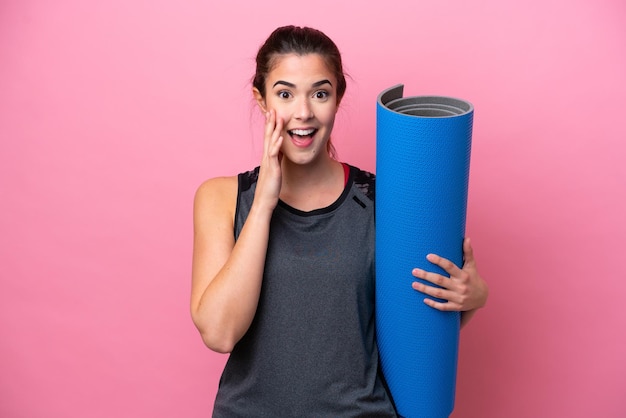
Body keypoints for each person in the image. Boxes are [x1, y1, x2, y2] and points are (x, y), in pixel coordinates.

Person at [190, 25, 488, 417]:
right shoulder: (221, 198)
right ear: (261, 100)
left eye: (319, 93)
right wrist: (264, 202)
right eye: (284, 94)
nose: (303, 112)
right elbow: (220, 332)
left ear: (338, 97)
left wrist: (472, 299)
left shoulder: (387, 202)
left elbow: (413, 330)